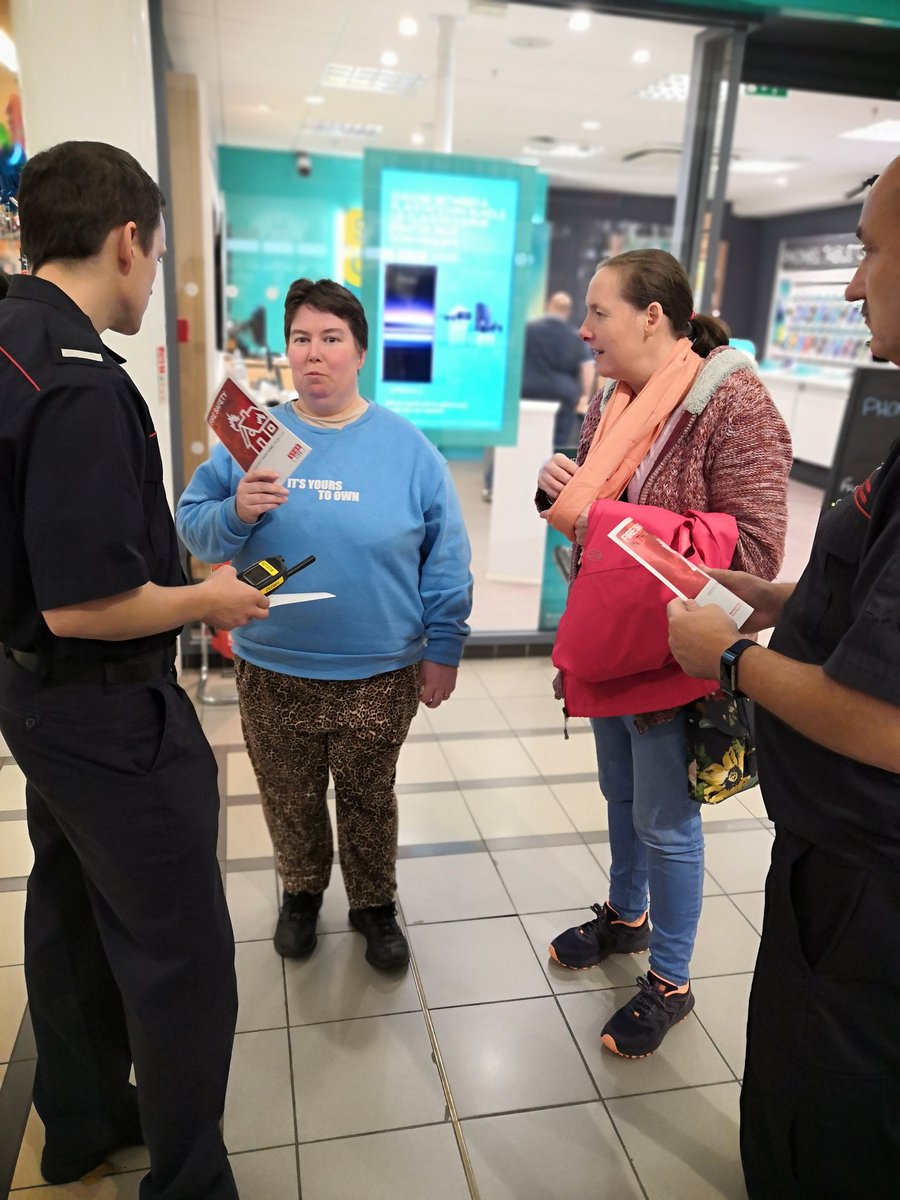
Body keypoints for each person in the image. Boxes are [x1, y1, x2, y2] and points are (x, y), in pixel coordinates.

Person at [0, 142, 269, 1197]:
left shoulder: (10, 335)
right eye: (156, 254)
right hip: (110, 715)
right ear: (126, 240)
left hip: (34, 699)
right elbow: (88, 605)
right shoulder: (77, 384)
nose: (155, 279)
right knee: (181, 957)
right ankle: (191, 1181)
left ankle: (81, 1125)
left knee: (67, 912)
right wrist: (212, 597)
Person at [667, 159, 900, 1197]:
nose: (854, 286)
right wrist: (772, 596)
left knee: (832, 1115)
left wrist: (728, 660)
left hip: (868, 891)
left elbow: (888, 722)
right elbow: (864, 584)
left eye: (871, 251)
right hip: (838, 868)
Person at [535, 249, 792, 1058]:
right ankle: (628, 914)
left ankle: (672, 979)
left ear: (652, 317)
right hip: (608, 638)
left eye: (599, 313)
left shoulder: (734, 402)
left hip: (675, 651)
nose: (584, 330)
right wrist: (562, 494)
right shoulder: (615, 397)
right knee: (619, 796)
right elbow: (585, 518)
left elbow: (757, 550)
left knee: (666, 820)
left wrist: (609, 525)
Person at [177, 278, 472, 971]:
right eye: (301, 339)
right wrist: (236, 512)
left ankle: (373, 903)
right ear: (286, 352)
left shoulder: (408, 449)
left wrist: (446, 645)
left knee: (370, 794)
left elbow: (447, 554)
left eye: (331, 339)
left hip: (380, 667)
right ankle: (302, 892)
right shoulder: (255, 441)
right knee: (289, 795)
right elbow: (195, 528)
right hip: (272, 662)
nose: (315, 355)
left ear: (359, 350)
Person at [482, 291, 594, 500]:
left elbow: (509, 358)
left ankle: (493, 486)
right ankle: (545, 493)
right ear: (567, 312)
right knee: (553, 444)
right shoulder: (574, 336)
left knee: (510, 442)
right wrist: (584, 395)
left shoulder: (527, 330)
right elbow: (587, 367)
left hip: (525, 393)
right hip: (561, 397)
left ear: (549, 306)